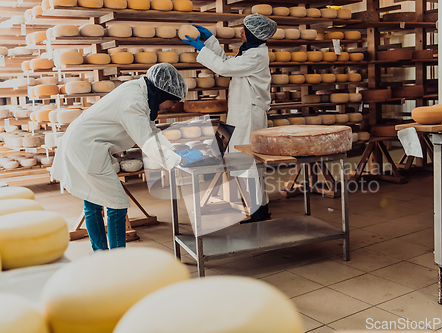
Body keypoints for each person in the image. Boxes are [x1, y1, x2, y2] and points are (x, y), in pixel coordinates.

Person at [51, 63, 203, 251]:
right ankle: (118, 258)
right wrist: (177, 160)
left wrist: (174, 151)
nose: (171, 107)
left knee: (94, 201)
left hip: (81, 142)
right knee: (117, 204)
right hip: (86, 148)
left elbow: (150, 130)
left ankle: (101, 254)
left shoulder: (140, 91)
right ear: (162, 95)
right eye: (172, 102)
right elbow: (146, 140)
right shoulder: (134, 101)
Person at [182, 13, 277, 222]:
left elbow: (224, 68)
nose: (241, 32)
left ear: (254, 33)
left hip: (249, 115)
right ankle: (258, 209)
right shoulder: (250, 52)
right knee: (245, 164)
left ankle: (259, 211)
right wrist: (210, 41)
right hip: (242, 113)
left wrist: (202, 49)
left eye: (245, 29)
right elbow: (227, 62)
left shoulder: (257, 56)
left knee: (247, 163)